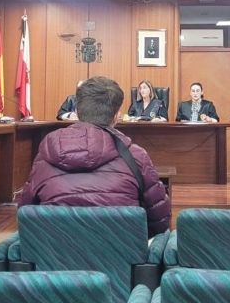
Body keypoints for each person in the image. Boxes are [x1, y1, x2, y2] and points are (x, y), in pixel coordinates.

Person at [20, 76, 170, 237]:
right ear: (116, 116)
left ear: (78, 112)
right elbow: (159, 220)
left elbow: (25, 214)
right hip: (121, 248)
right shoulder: (136, 156)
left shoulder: (45, 154)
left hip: (56, 248)